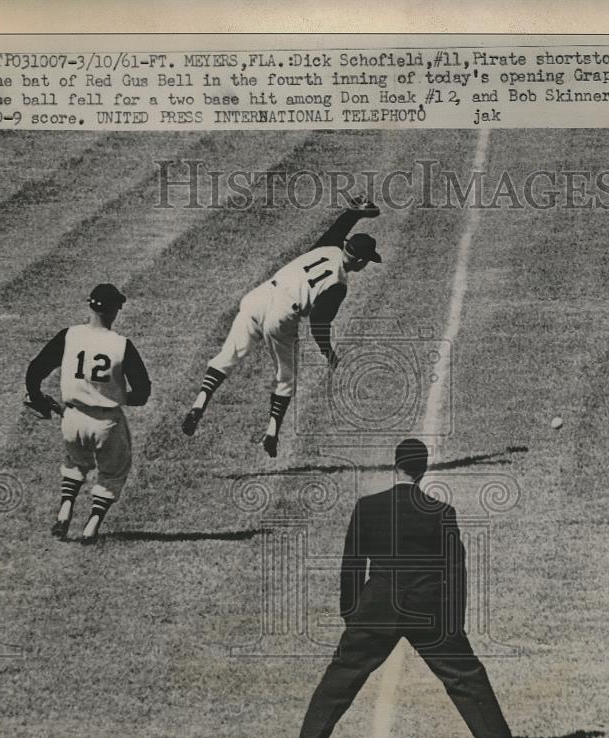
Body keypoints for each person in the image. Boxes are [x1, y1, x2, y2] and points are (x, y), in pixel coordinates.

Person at [293, 439, 526, 738]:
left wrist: (352, 612)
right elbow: (455, 571)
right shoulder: (442, 512)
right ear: (424, 469)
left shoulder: (368, 507)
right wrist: (453, 622)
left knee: (343, 673)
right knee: (465, 675)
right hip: (427, 610)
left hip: (377, 608)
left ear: (395, 466)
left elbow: (352, 564)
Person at [181, 197, 381, 456]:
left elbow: (339, 227)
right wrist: (329, 353)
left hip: (259, 296)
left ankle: (199, 403)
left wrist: (356, 212)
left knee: (227, 356)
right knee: (286, 377)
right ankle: (271, 433)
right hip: (283, 314)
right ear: (360, 262)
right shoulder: (338, 285)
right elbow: (319, 324)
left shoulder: (329, 247)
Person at [24, 283, 151, 544]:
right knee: (113, 473)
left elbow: (35, 369)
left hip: (72, 418)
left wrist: (36, 397)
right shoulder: (121, 345)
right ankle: (91, 526)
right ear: (115, 311)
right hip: (107, 422)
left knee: (74, 464)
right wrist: (116, 395)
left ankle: (65, 510)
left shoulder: (69, 336)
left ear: (90, 306)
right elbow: (143, 392)